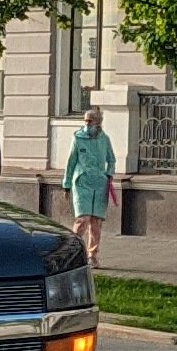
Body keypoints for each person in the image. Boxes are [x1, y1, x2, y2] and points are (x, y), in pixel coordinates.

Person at [62, 106, 119, 267]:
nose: (87, 124)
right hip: (82, 183)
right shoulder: (78, 138)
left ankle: (92, 255)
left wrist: (109, 174)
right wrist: (66, 185)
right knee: (82, 219)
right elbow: (71, 162)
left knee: (96, 222)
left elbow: (112, 159)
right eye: (85, 120)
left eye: (90, 121)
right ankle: (73, 253)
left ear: (98, 123)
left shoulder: (104, 139)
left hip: (99, 184)